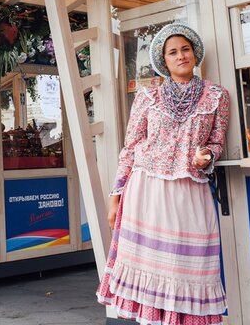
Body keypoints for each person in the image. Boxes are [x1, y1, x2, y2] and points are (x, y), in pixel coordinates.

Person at [97, 23, 229, 325]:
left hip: (189, 192)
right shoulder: (147, 97)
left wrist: (206, 155)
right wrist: (115, 197)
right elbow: (130, 147)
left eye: (185, 49)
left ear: (195, 54)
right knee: (150, 271)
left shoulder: (218, 97)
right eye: (173, 52)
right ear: (164, 61)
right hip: (145, 191)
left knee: (187, 270)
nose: (180, 56)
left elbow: (217, 142)